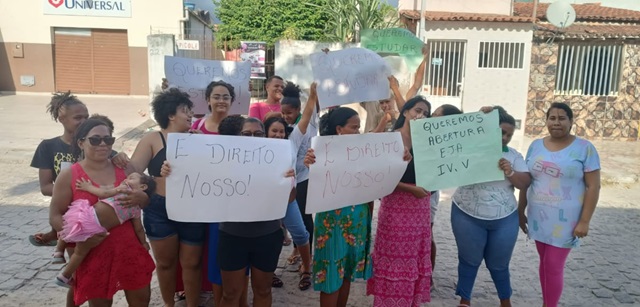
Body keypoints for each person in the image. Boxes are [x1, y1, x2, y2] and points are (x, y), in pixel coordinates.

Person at [161, 115, 296, 307]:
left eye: (258, 134)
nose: (252, 138)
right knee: (231, 293)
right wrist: (171, 170)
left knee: (263, 290)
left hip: (268, 235)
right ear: (236, 136)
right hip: (233, 236)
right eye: (246, 134)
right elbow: (192, 172)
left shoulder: (278, 161)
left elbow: (289, 200)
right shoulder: (223, 161)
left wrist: (288, 181)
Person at [49, 118, 154, 306]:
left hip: (129, 252)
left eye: (108, 139)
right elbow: (55, 216)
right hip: (94, 256)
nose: (103, 144)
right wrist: (80, 236)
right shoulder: (69, 175)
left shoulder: (124, 168)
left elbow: (143, 200)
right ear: (81, 142)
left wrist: (144, 199)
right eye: (95, 140)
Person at [127, 88, 206, 307]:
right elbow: (134, 172)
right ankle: (168, 304)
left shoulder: (197, 139)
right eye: (185, 110)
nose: (190, 115)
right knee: (165, 263)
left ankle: (192, 304)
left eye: (190, 110)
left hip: (191, 209)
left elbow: (209, 174)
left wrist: (202, 147)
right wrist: (150, 175)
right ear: (170, 115)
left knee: (192, 263)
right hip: (158, 208)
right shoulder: (153, 139)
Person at [518, 102, 601, 307]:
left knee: (554, 264)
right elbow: (527, 181)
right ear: (546, 121)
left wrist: (585, 221)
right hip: (539, 217)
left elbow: (593, 187)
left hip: (567, 221)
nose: (556, 123)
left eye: (562, 118)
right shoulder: (535, 145)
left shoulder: (585, 149)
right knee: (545, 262)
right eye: (552, 118)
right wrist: (520, 210)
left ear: (571, 122)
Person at [450, 106, 531, 307]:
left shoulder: (513, 156)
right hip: (466, 213)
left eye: (509, 135)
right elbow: (453, 139)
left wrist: (510, 172)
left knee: (499, 264)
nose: (505, 137)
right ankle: (464, 300)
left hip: (504, 218)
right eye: (501, 132)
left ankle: (505, 301)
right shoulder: (469, 147)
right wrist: (478, 117)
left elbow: (524, 183)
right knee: (469, 260)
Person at [367, 96, 433, 307]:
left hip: (420, 207)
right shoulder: (390, 139)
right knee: (395, 259)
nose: (420, 115)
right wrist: (410, 189)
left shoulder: (429, 142)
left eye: (425, 113)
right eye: (417, 110)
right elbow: (380, 177)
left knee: (414, 257)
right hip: (396, 207)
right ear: (405, 112)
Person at [191, 81, 249, 306]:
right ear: (208, 99)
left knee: (236, 254)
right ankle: (219, 300)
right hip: (208, 203)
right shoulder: (196, 126)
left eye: (226, 97)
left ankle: (240, 299)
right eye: (216, 96)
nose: (221, 101)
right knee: (213, 252)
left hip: (237, 203)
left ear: (232, 101)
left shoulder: (242, 127)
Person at [55, 172, 156, 288]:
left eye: (131, 178)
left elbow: (104, 193)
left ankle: (59, 251)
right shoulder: (136, 210)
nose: (125, 180)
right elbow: (139, 229)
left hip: (88, 216)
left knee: (69, 224)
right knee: (80, 252)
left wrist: (87, 187)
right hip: (96, 230)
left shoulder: (124, 189)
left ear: (143, 187)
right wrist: (143, 242)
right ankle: (64, 276)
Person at [266, 81, 319, 291]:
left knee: (300, 233)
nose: (278, 134)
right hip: (266, 200)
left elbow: (305, 117)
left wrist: (313, 96)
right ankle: (268, 272)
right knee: (271, 236)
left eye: (281, 131)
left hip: (288, 198)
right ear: (265, 133)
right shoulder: (258, 147)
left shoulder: (293, 141)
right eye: (274, 131)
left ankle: (307, 268)